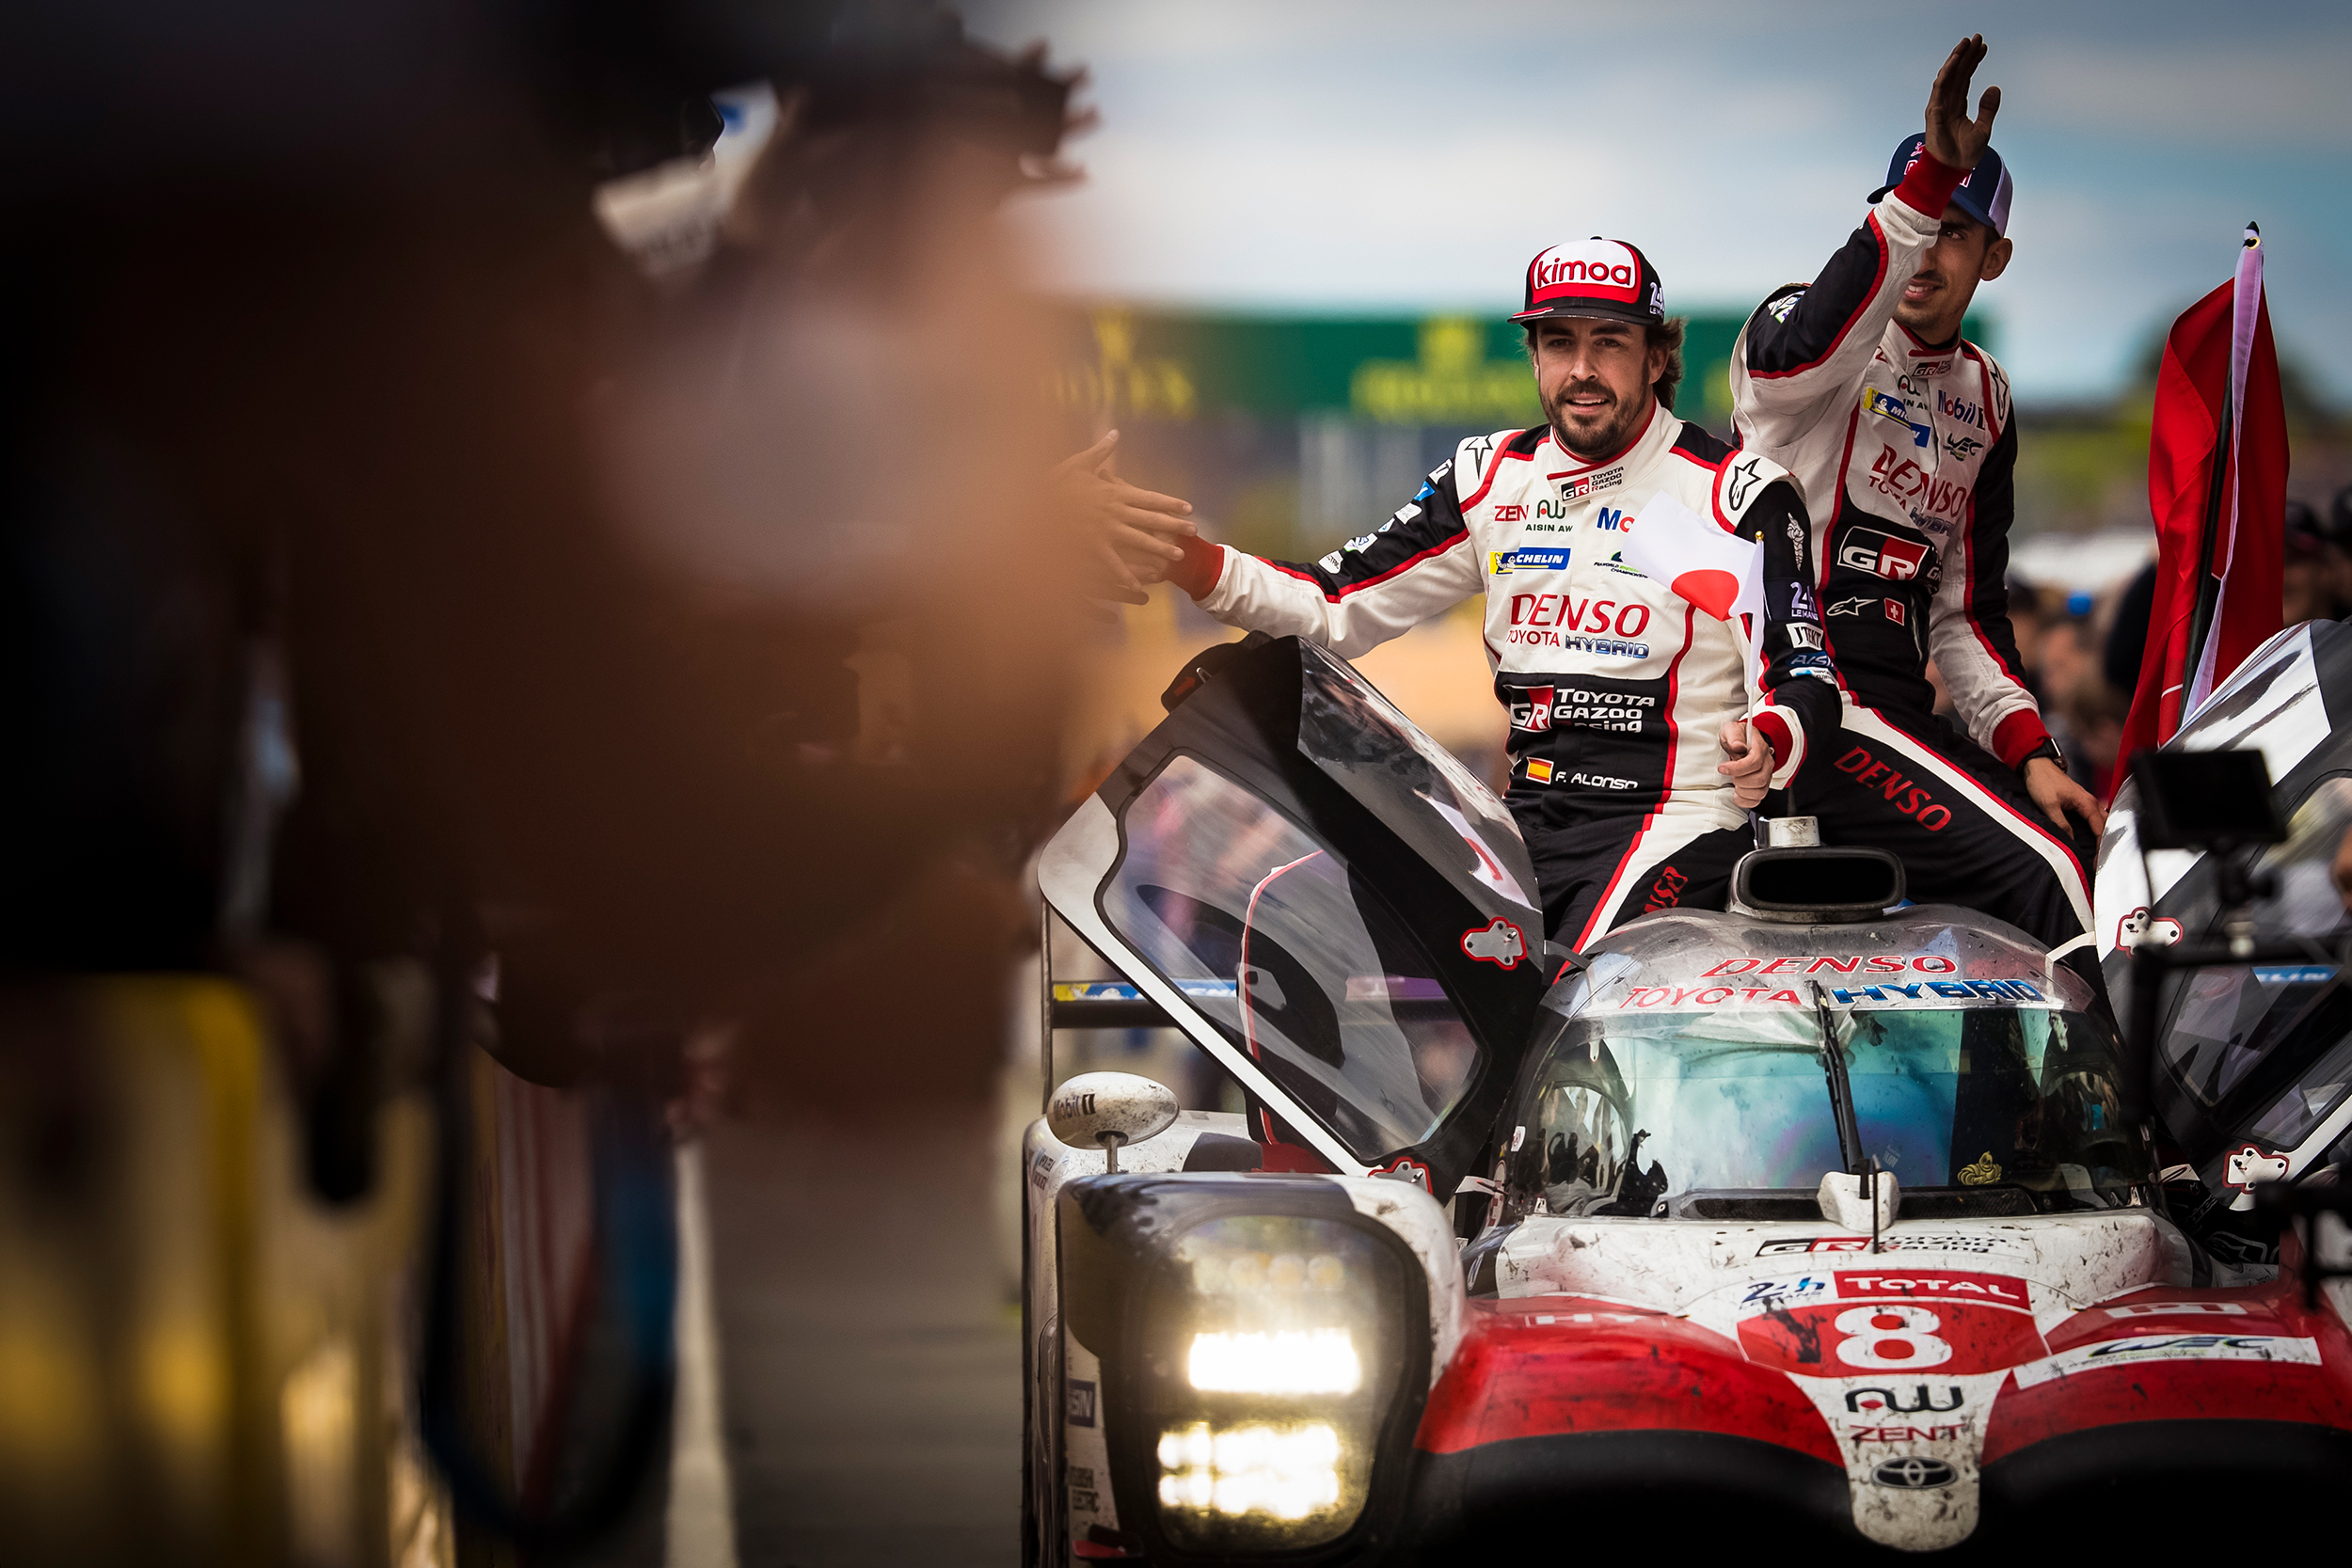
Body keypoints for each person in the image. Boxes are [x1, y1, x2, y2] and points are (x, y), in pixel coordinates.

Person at [1156, 240, 1840, 948]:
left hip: (1679, 820)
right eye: (1558, 341)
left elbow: (1806, 678)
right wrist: (1184, 558)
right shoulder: (1486, 479)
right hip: (1523, 821)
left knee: (1572, 994)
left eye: (1609, 342)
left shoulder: (1737, 492)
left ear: (1657, 357)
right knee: (1306, 927)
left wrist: (1770, 737)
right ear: (1535, 354)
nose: (1581, 369)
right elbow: (1333, 603)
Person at [1729, 35, 2106, 997]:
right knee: (2046, 878)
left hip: (1895, 705)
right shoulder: (1803, 333)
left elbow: (1967, 613)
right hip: (1792, 689)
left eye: (1954, 229)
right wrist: (1929, 181)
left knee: (2072, 847)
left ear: (1996, 255)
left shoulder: (1987, 397)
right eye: (1916, 222)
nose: (1928, 251)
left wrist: (2028, 748)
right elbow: (1798, 356)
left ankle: (2010, 1142)